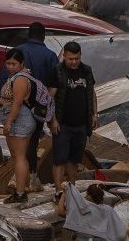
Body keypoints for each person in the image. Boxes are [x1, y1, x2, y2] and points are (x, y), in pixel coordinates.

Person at [0, 22, 59, 191]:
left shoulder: (16, 55)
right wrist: (51, 114)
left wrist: (0, 104)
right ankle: (29, 180)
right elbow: (55, 85)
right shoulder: (50, 55)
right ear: (43, 36)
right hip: (37, 108)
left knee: (19, 152)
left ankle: (22, 185)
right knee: (28, 145)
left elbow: (4, 82)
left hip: (14, 110)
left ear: (28, 35)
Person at [48, 41, 97, 203]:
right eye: (70, 59)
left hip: (82, 124)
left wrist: (94, 114)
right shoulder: (57, 71)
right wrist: (53, 120)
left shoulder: (86, 70)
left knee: (74, 160)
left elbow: (92, 93)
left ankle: (71, 189)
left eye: (76, 58)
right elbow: (50, 98)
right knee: (59, 159)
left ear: (80, 56)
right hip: (63, 124)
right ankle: (58, 192)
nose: (74, 62)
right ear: (64, 56)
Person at [0, 48, 37, 203]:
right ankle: (22, 188)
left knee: (19, 156)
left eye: (14, 63)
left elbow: (18, 103)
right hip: (16, 119)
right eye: (8, 63)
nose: (11, 66)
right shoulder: (14, 77)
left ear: (22, 64)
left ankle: (20, 193)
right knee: (17, 156)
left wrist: (8, 122)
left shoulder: (20, 79)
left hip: (19, 120)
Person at [57, 182, 129, 241]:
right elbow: (120, 232)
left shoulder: (81, 210)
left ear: (88, 196)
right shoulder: (108, 210)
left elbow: (60, 212)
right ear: (102, 197)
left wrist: (64, 192)